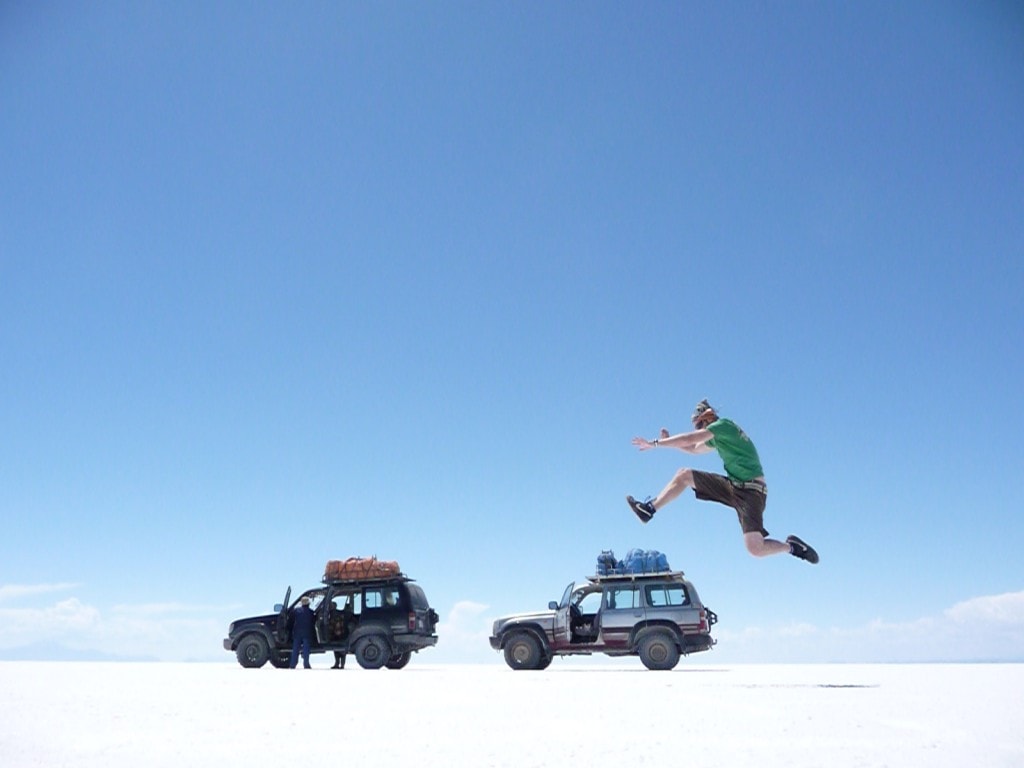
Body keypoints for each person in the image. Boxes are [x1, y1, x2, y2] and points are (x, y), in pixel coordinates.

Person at [627, 399, 818, 564]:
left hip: (752, 492)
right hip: (733, 486)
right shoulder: (718, 438)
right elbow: (693, 448)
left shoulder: (723, 426)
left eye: (700, 425)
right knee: (684, 475)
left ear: (708, 418)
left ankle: (791, 547)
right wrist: (670, 444)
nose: (700, 429)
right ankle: (649, 510)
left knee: (755, 549)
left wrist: (655, 444)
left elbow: (690, 439)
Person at [288, 596, 315, 669]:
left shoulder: (296, 611)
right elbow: (313, 622)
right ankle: (306, 665)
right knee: (306, 649)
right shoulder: (311, 612)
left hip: (297, 632)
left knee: (295, 649)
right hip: (307, 632)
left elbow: (291, 619)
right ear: (308, 603)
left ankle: (292, 665)